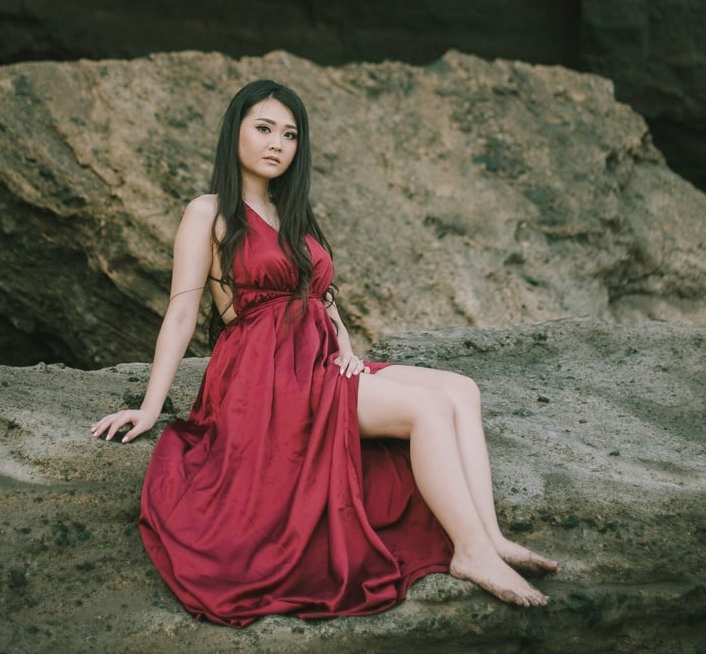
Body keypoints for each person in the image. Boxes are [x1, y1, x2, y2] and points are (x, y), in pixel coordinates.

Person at [91, 78, 557, 625]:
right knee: (427, 410)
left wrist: (348, 348)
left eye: (289, 135)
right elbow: (182, 312)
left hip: (320, 360)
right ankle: (469, 552)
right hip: (265, 374)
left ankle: (491, 538)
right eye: (263, 128)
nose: (276, 144)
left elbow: (322, 298)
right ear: (234, 131)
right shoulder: (208, 211)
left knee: (461, 389)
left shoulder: (293, 213)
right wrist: (151, 406)